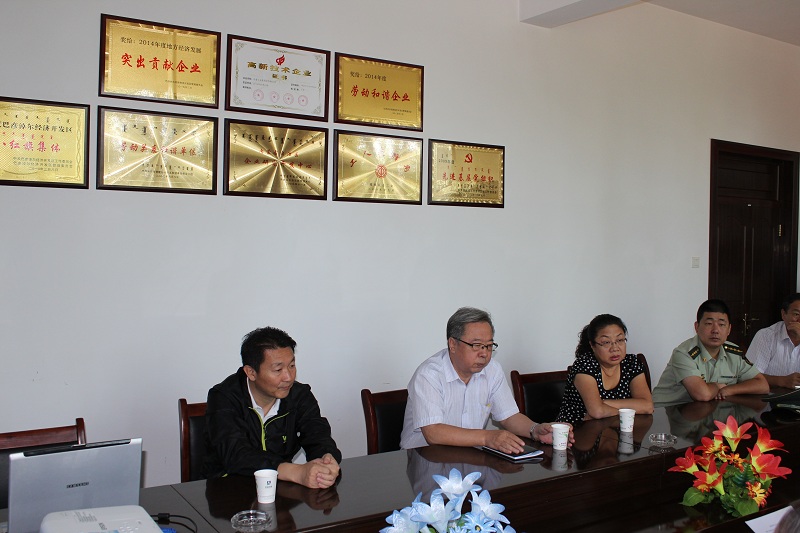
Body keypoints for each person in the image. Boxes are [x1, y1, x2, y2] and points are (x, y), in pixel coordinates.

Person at [400, 307, 572, 454]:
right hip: (425, 460)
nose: (484, 353)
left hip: (470, 458)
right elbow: (433, 432)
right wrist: (487, 437)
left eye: (489, 346)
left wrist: (535, 430)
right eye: (476, 345)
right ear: (453, 344)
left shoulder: (492, 370)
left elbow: (508, 416)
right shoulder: (429, 374)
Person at [204, 326, 341, 489]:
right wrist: (296, 472)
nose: (288, 377)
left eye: (292, 366)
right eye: (278, 369)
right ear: (251, 372)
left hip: (281, 490)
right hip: (228, 490)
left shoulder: (299, 395)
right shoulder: (223, 397)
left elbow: (317, 434)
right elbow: (236, 454)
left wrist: (326, 459)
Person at [652, 299, 769, 404]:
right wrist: (717, 386)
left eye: (721, 324)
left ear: (729, 329)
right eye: (709, 324)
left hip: (703, 412)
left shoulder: (733, 353)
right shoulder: (684, 353)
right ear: (697, 327)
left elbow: (762, 385)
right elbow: (702, 395)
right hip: (667, 412)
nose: (715, 330)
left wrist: (729, 389)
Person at [556, 314, 653, 424]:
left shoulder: (631, 363)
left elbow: (648, 406)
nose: (615, 348)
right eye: (606, 342)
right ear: (592, 345)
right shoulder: (584, 365)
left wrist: (605, 403)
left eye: (620, 340)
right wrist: (626, 412)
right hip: (576, 430)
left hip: (614, 428)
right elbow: (597, 411)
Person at [744, 293, 800, 388]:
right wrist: (782, 381)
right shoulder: (766, 336)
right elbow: (749, 376)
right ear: (783, 314)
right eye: (796, 314)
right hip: (770, 393)